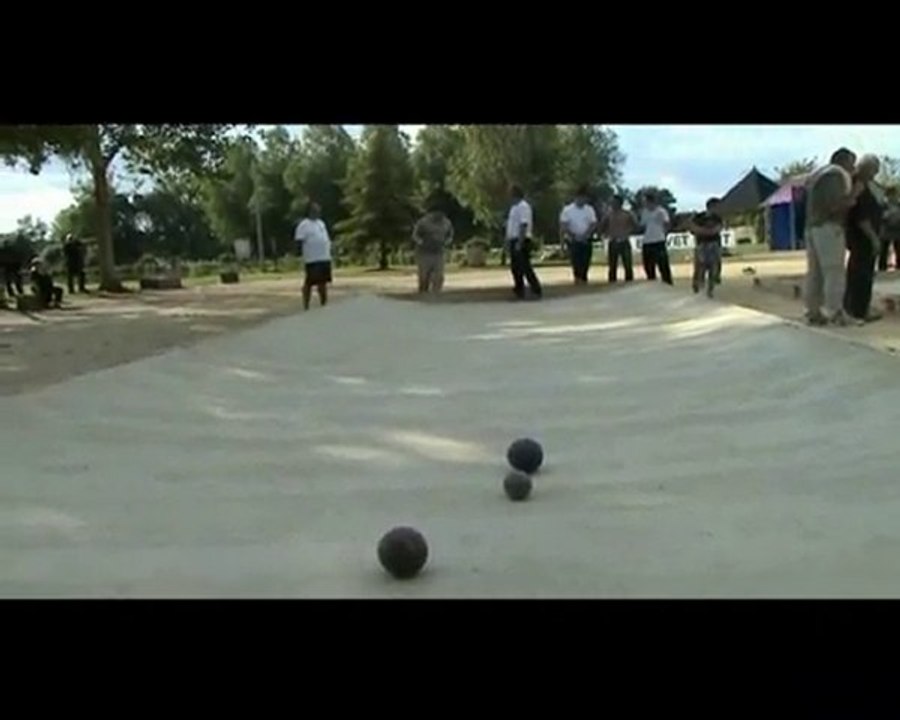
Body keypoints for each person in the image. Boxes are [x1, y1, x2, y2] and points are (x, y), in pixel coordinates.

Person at [804, 148, 859, 326]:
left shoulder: (819, 175)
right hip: (829, 227)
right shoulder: (836, 176)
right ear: (844, 161)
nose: (853, 168)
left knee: (815, 272)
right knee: (834, 271)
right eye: (852, 163)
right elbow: (835, 205)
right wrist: (852, 196)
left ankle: (813, 311)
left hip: (813, 227)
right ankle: (835, 312)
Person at [843, 155, 885, 324]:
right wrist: (874, 238)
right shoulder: (858, 185)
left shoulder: (863, 184)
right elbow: (862, 217)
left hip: (862, 237)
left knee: (859, 273)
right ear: (866, 168)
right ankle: (859, 310)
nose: (876, 173)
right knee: (862, 274)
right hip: (862, 238)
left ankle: (854, 307)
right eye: (874, 169)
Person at [294, 201, 333, 311]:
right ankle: (306, 305)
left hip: (324, 257)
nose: (318, 211)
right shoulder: (304, 225)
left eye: (318, 209)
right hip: (312, 259)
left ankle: (324, 304)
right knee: (310, 282)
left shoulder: (321, 223)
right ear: (310, 211)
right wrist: (299, 254)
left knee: (323, 282)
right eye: (316, 209)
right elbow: (299, 241)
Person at [506, 185, 542, 300]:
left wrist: (520, 242)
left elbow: (523, 225)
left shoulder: (523, 207)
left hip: (521, 239)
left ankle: (536, 289)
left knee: (525, 266)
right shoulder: (514, 207)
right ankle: (519, 290)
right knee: (515, 268)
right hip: (513, 239)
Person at [412, 202, 454, 294]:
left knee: (439, 276)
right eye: (437, 213)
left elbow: (450, 234)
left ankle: (436, 295)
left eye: (441, 213)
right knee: (424, 277)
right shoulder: (423, 222)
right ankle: (423, 293)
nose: (439, 215)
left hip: (439, 252)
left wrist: (447, 242)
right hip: (424, 253)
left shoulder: (446, 223)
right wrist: (421, 242)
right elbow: (415, 235)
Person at [559, 186, 598, 285]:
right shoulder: (567, 210)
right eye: (582, 198)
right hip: (573, 239)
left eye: (585, 198)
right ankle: (577, 277)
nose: (584, 200)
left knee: (586, 260)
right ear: (577, 197)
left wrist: (586, 234)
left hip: (586, 239)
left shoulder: (589, 209)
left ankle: (583, 277)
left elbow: (593, 224)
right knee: (576, 260)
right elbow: (564, 225)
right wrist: (572, 236)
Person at [688, 197, 724, 298]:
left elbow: (717, 229)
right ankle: (698, 286)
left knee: (714, 267)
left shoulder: (718, 218)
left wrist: (702, 231)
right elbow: (693, 229)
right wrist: (707, 231)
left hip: (714, 244)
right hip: (702, 245)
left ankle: (710, 290)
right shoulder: (699, 217)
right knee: (700, 266)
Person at [601, 195, 637, 283]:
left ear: (619, 203)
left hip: (624, 241)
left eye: (614, 202)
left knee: (628, 265)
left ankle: (629, 283)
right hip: (613, 241)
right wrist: (606, 233)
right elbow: (602, 226)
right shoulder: (608, 214)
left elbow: (635, 225)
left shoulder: (627, 214)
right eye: (612, 203)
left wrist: (628, 231)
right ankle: (612, 283)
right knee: (612, 266)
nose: (613, 204)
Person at [638, 192, 672, 284]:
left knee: (663, 264)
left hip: (658, 240)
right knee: (648, 265)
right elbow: (643, 225)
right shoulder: (644, 212)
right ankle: (651, 281)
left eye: (645, 201)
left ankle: (667, 282)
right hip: (647, 241)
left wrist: (665, 234)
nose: (644, 203)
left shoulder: (661, 211)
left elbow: (667, 224)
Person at [879, 186, 900, 272]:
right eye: (891, 195)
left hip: (898, 231)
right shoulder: (883, 205)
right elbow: (880, 217)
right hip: (886, 232)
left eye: (895, 195)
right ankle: (882, 268)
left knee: (898, 250)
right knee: (884, 251)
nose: (893, 197)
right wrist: (889, 214)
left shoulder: (898, 205)